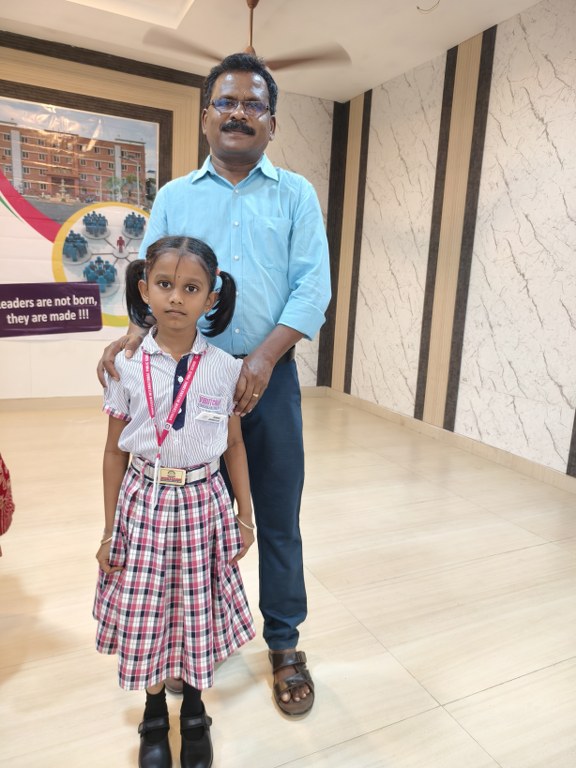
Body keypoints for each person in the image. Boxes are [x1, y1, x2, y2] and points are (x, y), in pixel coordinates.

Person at [98, 52, 331, 716]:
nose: (238, 113)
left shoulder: (296, 195)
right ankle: (192, 643)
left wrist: (261, 360)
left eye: (254, 104)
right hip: (187, 379)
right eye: (226, 102)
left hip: (267, 379)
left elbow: (313, 289)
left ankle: (284, 643)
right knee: (189, 520)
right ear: (206, 117)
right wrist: (133, 337)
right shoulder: (176, 196)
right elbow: (156, 280)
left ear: (272, 123)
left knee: (276, 515)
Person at [94, 235, 256, 768]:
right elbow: (113, 452)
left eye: (191, 288)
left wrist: (245, 517)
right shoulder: (126, 365)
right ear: (144, 289)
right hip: (144, 503)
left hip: (203, 505)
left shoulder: (226, 368)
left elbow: (234, 445)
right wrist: (109, 530)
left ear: (211, 298)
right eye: (164, 284)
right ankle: (153, 711)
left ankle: (194, 709)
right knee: (149, 610)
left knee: (196, 608)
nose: (176, 298)